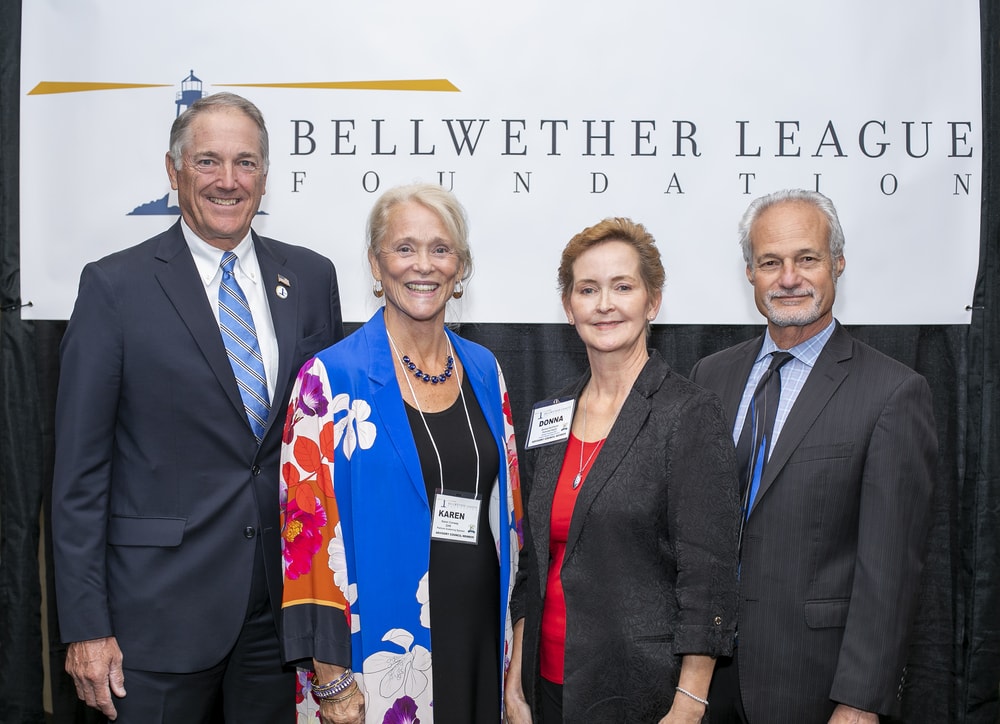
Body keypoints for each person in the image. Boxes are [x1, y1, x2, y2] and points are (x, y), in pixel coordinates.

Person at [52, 92, 344, 722]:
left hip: (280, 620)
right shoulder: (114, 287)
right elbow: (78, 476)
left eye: (246, 163)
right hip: (151, 623)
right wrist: (84, 625)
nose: (228, 181)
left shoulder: (312, 279)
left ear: (265, 177)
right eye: (208, 161)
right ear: (173, 170)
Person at [690, 189, 937, 724]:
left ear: (838, 265)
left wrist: (859, 704)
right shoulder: (711, 377)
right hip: (707, 684)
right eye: (770, 262)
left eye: (807, 258)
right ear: (750, 273)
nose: (788, 278)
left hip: (817, 686)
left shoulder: (894, 393)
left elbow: (889, 572)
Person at [279, 183, 523, 724]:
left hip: (480, 643)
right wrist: (332, 682)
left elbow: (512, 525)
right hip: (381, 657)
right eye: (404, 248)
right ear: (375, 262)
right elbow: (306, 549)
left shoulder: (486, 372)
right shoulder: (329, 380)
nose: (424, 265)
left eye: (441, 249)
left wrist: (515, 667)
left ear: (460, 268)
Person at [504, 217, 741, 723]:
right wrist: (516, 679)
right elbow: (533, 562)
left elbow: (708, 576)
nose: (604, 304)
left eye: (623, 287)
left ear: (652, 301)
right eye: (588, 289)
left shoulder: (688, 413)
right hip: (546, 685)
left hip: (643, 692)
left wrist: (690, 703)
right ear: (569, 308)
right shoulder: (551, 414)